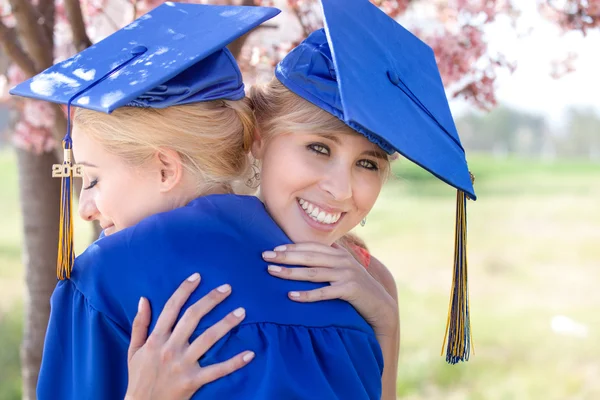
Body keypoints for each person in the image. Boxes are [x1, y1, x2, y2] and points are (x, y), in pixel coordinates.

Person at [11, 3, 393, 400]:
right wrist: (386, 324)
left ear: (165, 168)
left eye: (93, 179)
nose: (86, 208)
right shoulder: (349, 297)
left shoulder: (105, 276)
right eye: (318, 148)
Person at [125, 0, 477, 398]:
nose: (341, 190)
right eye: (319, 148)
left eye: (367, 163)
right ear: (260, 137)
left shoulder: (372, 280)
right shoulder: (174, 261)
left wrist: (386, 323)